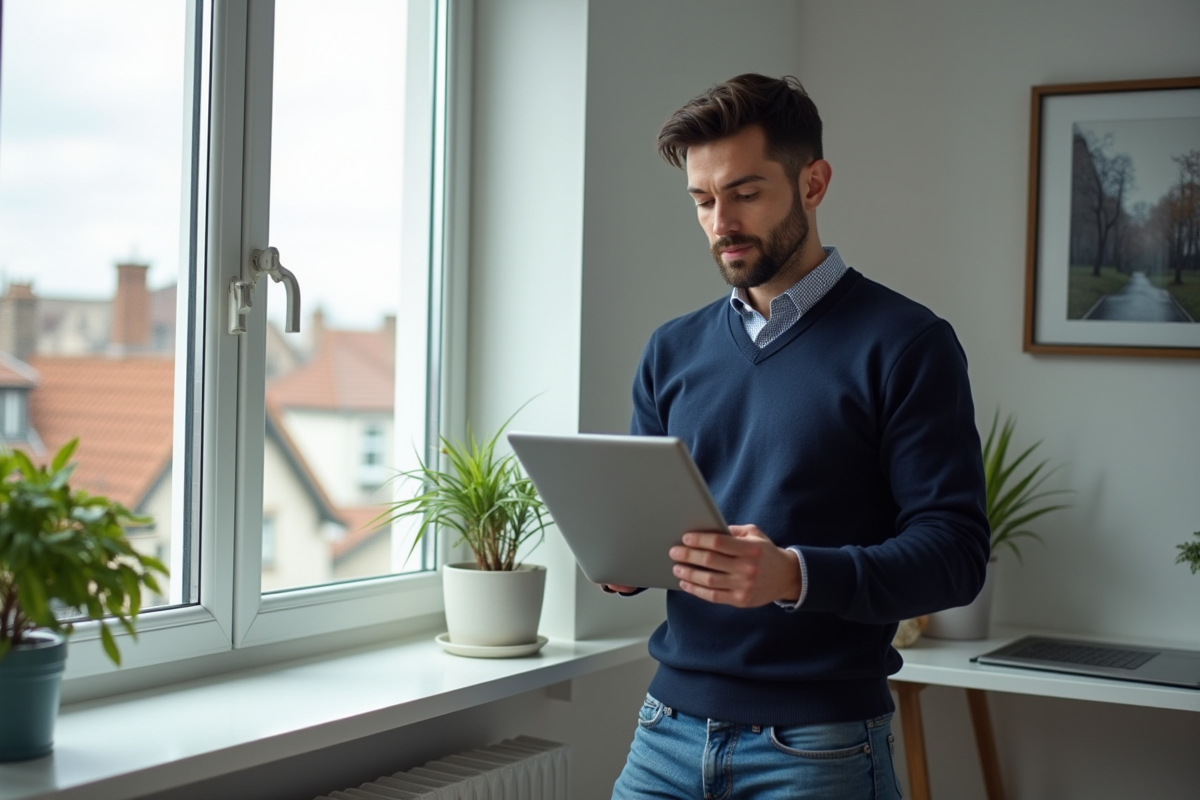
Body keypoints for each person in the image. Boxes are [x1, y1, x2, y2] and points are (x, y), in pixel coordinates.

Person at [605, 74, 990, 800]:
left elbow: (956, 556)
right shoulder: (671, 349)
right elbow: (658, 527)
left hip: (818, 748)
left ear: (813, 183)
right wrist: (623, 555)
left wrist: (793, 575)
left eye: (745, 193)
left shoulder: (908, 344)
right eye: (703, 199)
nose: (722, 222)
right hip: (665, 731)